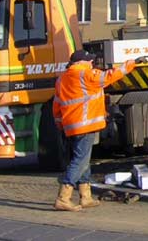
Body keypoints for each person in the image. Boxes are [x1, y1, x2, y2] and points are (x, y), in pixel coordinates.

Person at [52, 50, 136, 212]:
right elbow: (110, 76)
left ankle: (86, 196)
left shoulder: (62, 78)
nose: (92, 63)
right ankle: (63, 197)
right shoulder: (86, 74)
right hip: (85, 124)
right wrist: (131, 64)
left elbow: (57, 103)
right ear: (82, 62)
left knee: (83, 159)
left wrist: (59, 122)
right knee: (80, 160)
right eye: (89, 60)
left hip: (70, 126)